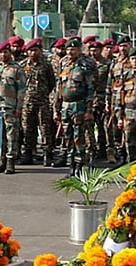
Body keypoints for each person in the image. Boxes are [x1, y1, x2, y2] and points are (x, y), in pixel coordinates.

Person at [54, 38, 95, 176]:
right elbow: (59, 87)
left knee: (79, 137)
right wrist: (56, 108)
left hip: (80, 104)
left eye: (73, 49)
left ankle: (80, 165)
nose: (70, 52)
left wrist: (89, 110)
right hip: (66, 105)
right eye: (68, 49)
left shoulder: (86, 64)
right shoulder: (63, 63)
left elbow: (90, 88)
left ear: (79, 50)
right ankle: (71, 165)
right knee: (68, 136)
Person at [0, 41, 26, 174]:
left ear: (10, 53)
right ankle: (1, 160)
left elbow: (21, 90)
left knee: (11, 135)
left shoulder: (16, 69)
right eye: (1, 52)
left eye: (5, 52)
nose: (3, 55)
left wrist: (19, 107)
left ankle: (10, 161)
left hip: (10, 107)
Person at [19, 38, 56, 167]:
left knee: (45, 128)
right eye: (30, 51)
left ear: (40, 51)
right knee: (28, 128)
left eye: (35, 50)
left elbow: (52, 82)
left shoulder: (46, 65)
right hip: (27, 102)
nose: (33, 53)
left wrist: (43, 93)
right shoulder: (23, 65)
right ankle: (29, 153)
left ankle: (47, 154)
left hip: (42, 102)